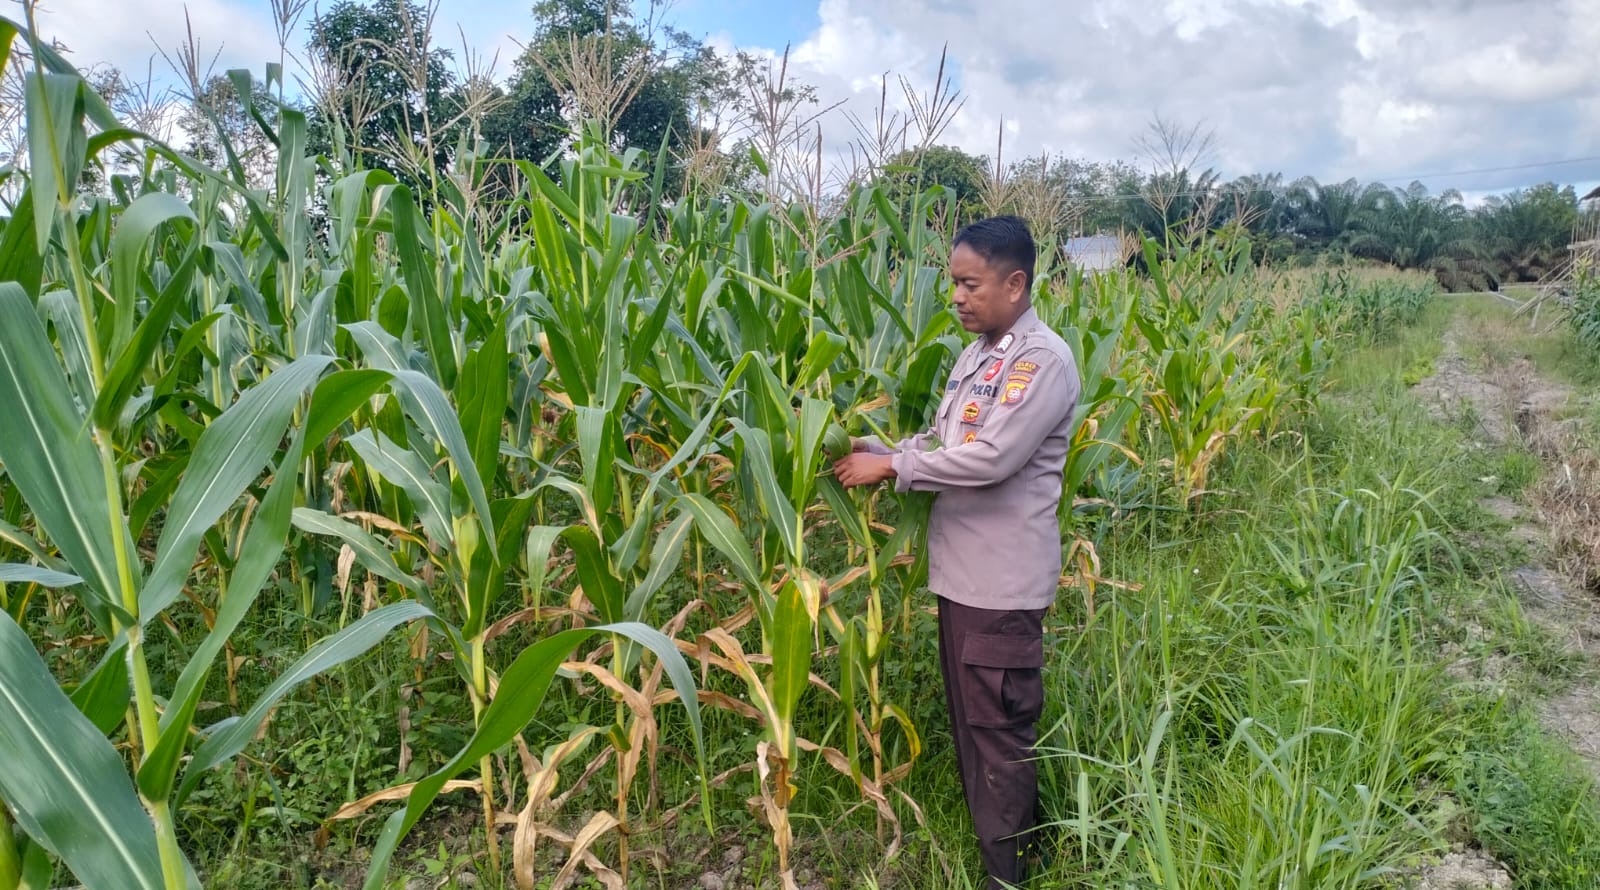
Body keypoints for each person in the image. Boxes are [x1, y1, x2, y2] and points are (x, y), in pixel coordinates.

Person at [832, 215, 1080, 889]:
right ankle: (1026, 855)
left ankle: (1009, 876)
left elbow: (992, 458)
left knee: (997, 733)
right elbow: (947, 443)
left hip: (1000, 586)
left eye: (971, 284)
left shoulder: (1041, 361)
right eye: (954, 284)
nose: (957, 297)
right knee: (978, 729)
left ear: (1015, 283)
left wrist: (893, 469)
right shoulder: (978, 356)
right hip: (963, 580)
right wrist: (876, 449)